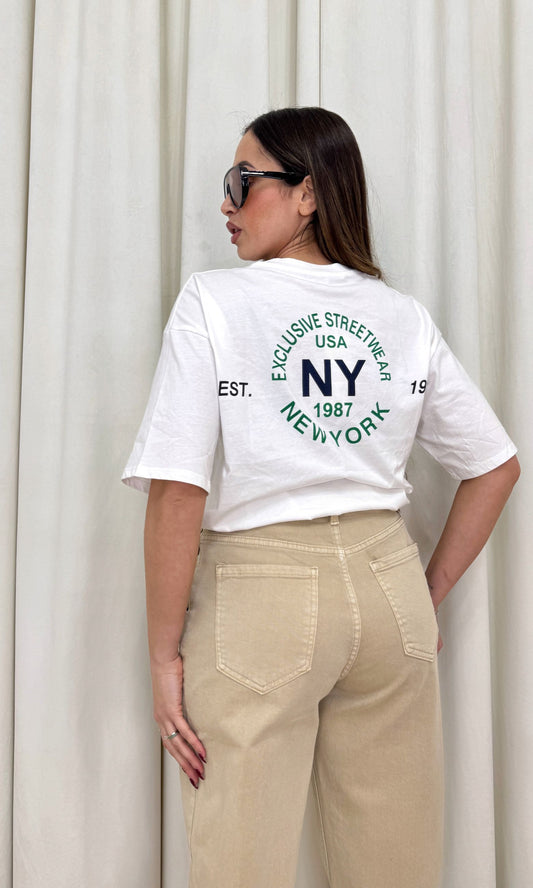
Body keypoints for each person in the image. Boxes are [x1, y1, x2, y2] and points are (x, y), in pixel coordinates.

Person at [121, 107, 519, 888]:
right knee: (394, 863)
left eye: (243, 180)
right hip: (386, 585)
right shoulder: (399, 316)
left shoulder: (214, 302)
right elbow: (494, 464)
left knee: (240, 861)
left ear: (307, 194)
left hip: (261, 597)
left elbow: (177, 488)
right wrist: (422, 594)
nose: (226, 203)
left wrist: (163, 657)